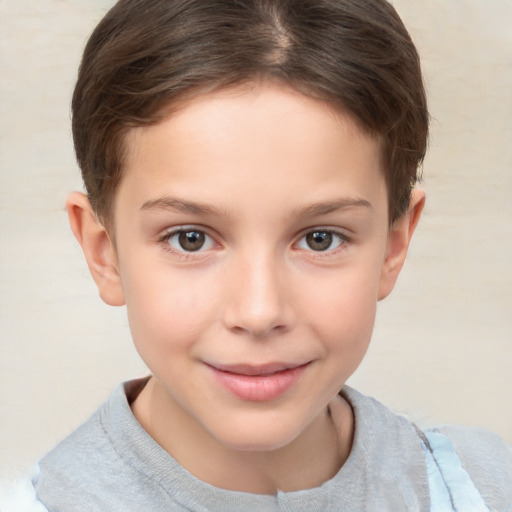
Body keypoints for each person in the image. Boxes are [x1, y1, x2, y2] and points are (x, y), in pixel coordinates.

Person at [6, 0, 512, 510]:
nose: (259, 311)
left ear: (393, 245)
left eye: (320, 238)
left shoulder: (484, 488)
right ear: (104, 253)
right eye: (190, 238)